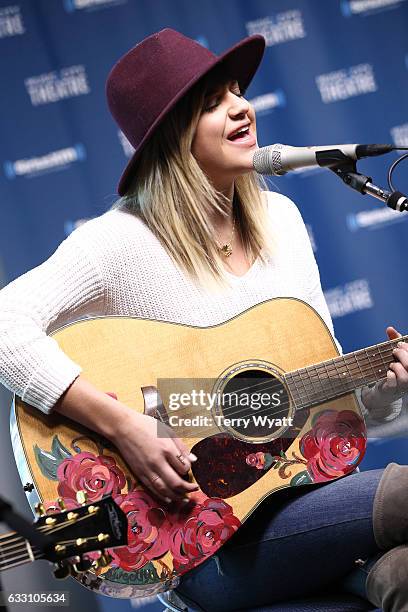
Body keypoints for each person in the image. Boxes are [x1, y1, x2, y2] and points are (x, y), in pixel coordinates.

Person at [0, 28, 408, 611]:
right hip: (201, 544)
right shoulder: (123, 243)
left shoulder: (282, 221)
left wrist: (392, 391)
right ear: (171, 137)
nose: (242, 107)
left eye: (238, 92)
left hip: (314, 505)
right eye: (213, 102)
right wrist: (125, 427)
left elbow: (312, 410)